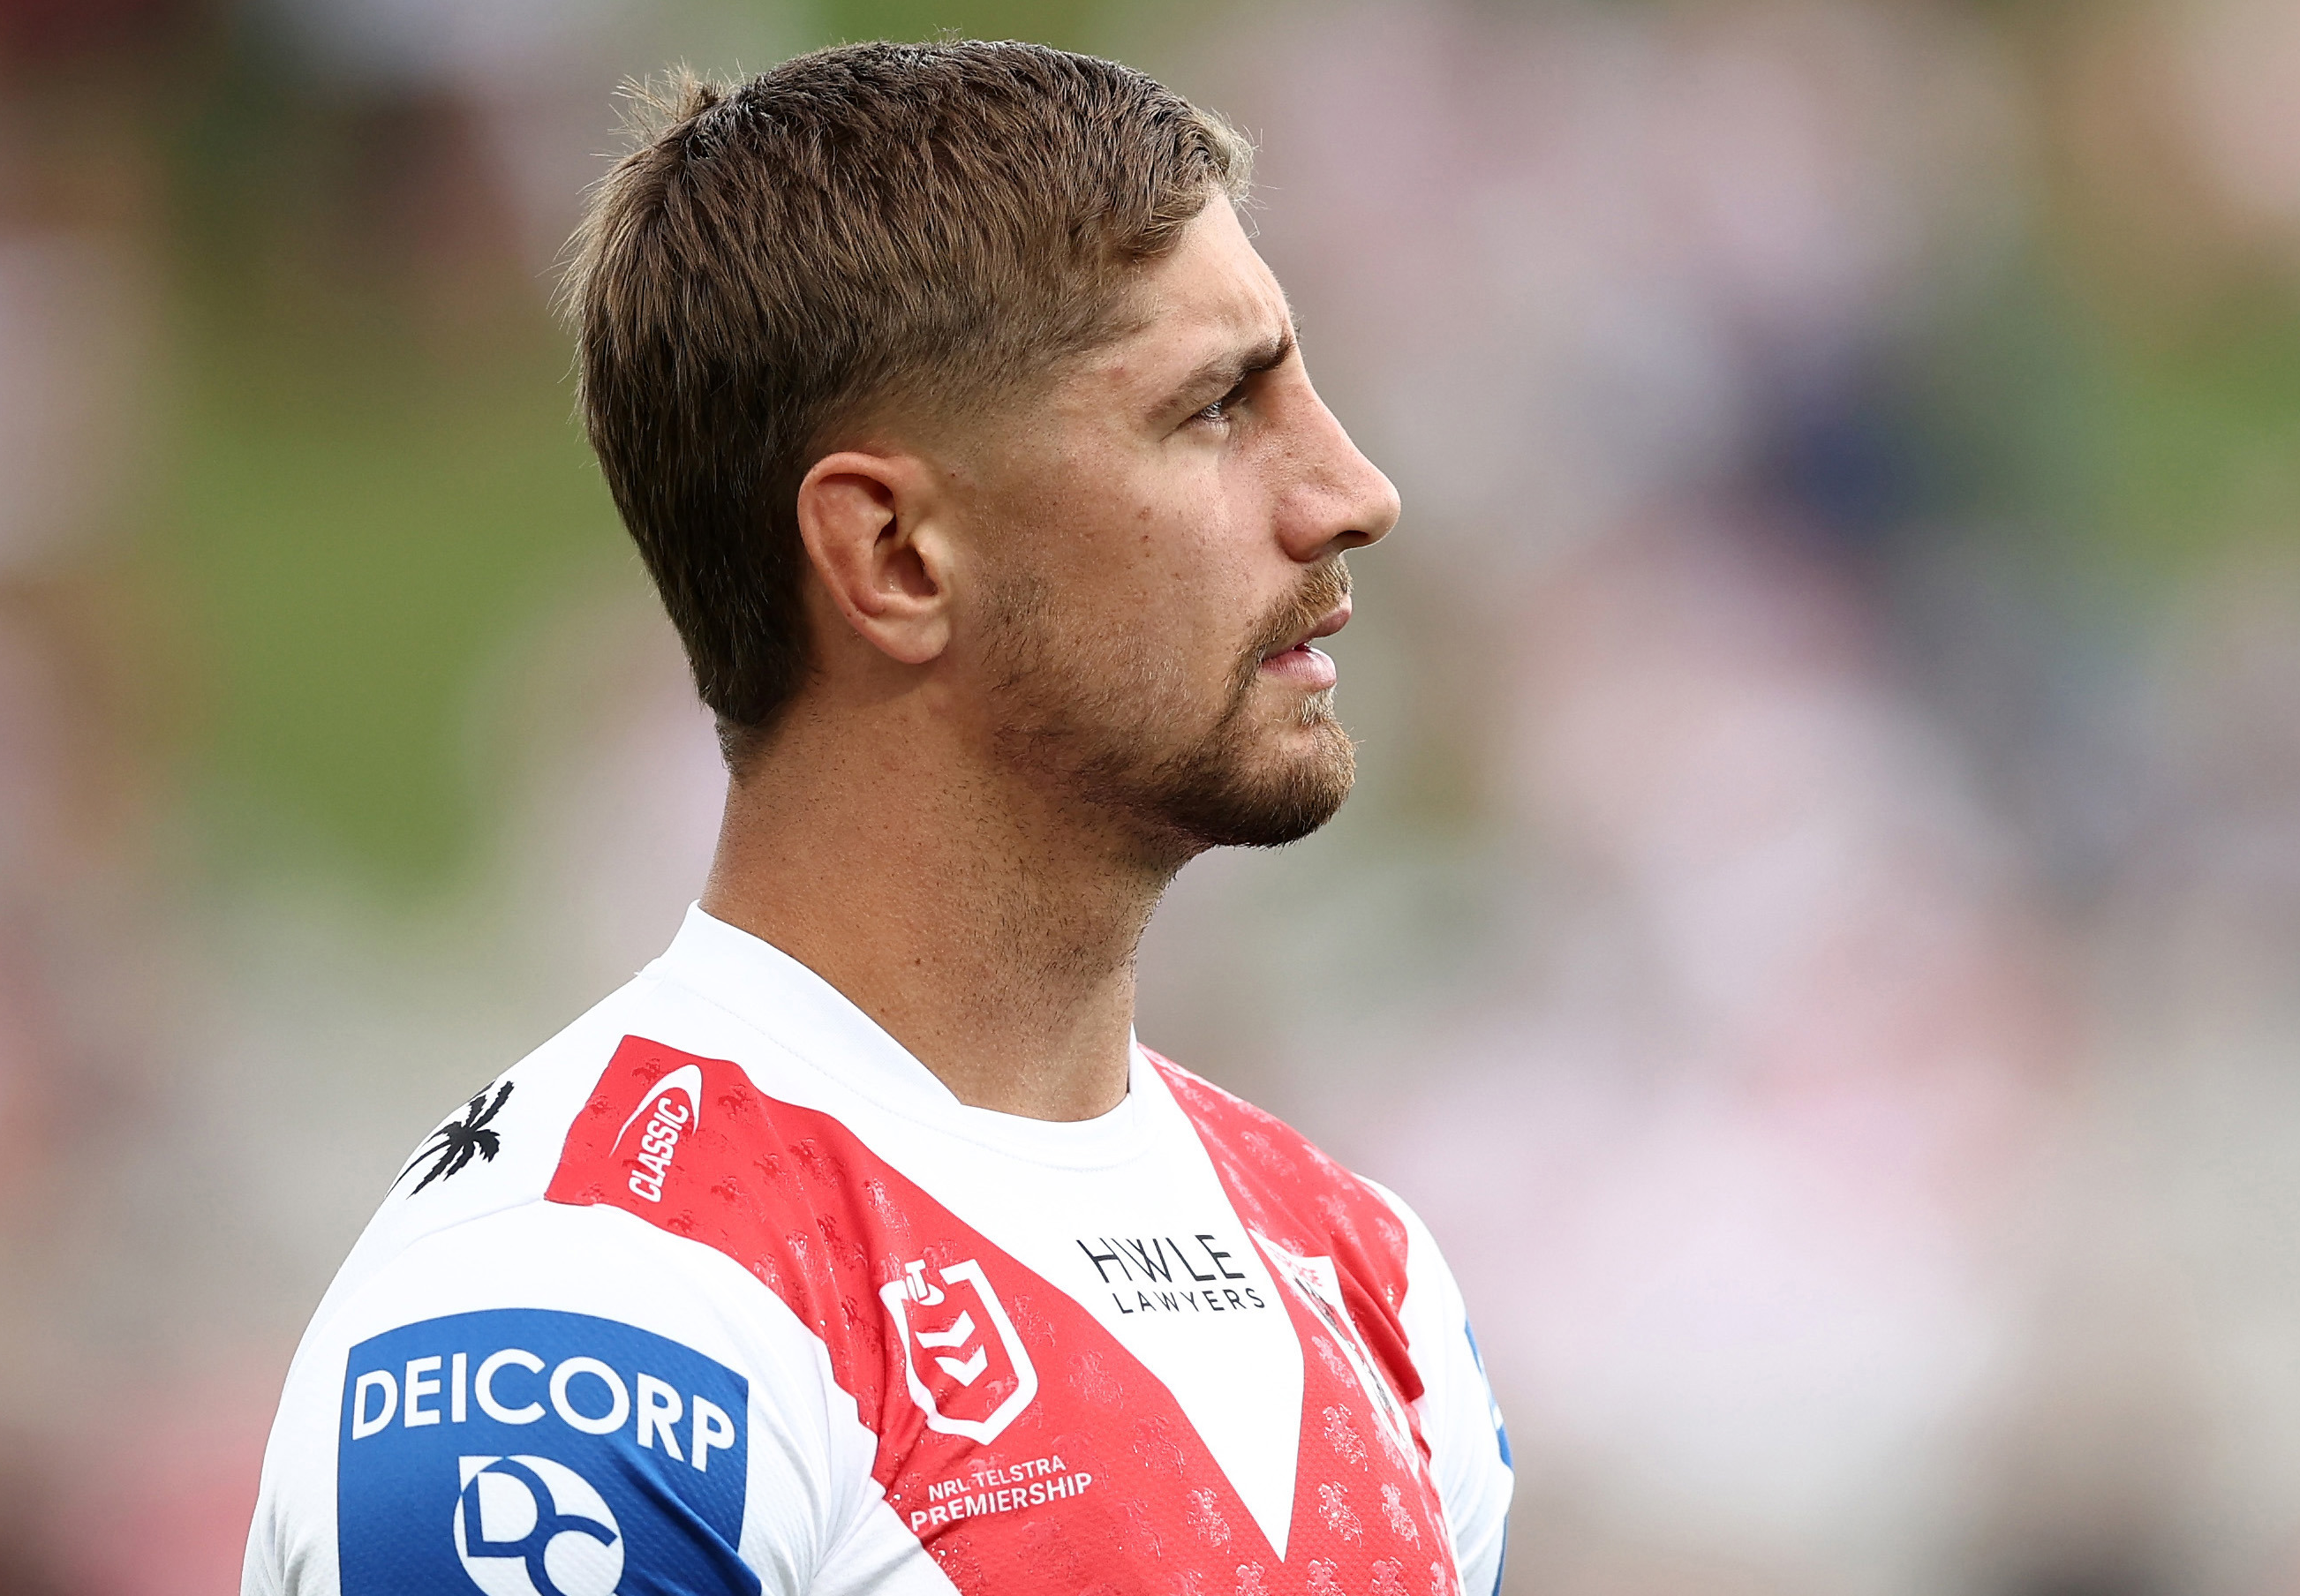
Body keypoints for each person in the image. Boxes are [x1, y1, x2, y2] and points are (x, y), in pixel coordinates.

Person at [240, 39, 1513, 1596]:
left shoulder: (1361, 1272)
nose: (1353, 488)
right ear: (895, 554)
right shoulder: (582, 1327)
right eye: (1212, 410)